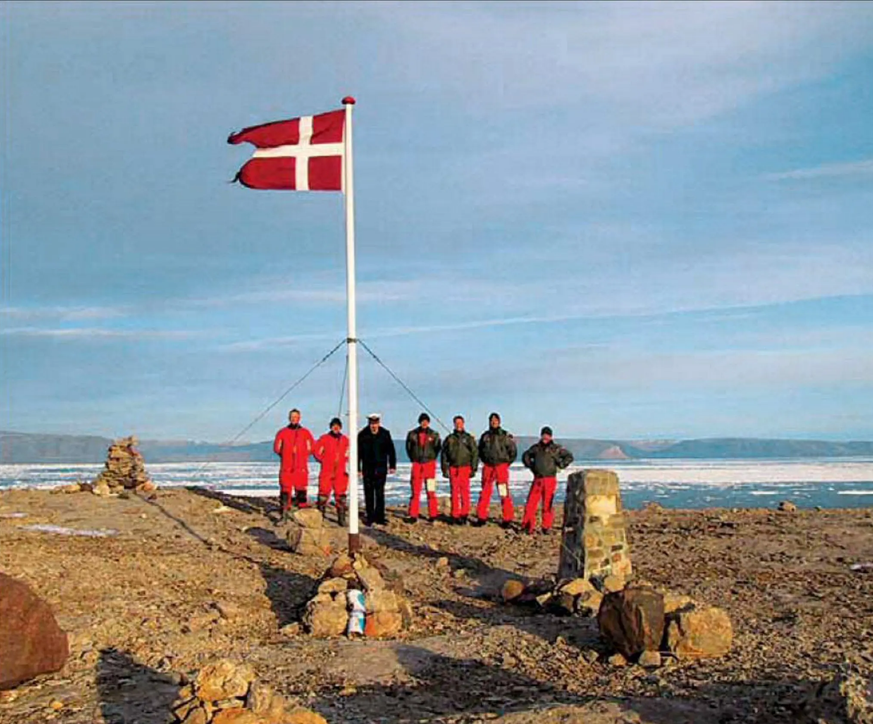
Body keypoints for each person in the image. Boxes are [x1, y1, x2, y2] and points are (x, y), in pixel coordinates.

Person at [521, 426, 573, 535]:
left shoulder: (556, 448)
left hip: (550, 479)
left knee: (547, 504)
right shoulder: (536, 448)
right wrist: (531, 466)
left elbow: (569, 457)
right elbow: (525, 456)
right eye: (544, 435)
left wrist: (561, 465)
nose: (545, 437)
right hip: (538, 479)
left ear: (551, 436)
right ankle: (527, 525)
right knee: (531, 503)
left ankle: (546, 526)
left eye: (547, 435)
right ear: (541, 436)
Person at [475, 412, 517, 528]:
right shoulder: (485, 436)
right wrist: (484, 460)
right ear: (489, 422)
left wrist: (506, 463)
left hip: (501, 466)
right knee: (485, 492)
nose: (494, 422)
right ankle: (481, 517)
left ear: (499, 421)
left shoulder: (505, 435)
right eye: (492, 420)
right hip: (488, 466)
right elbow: (480, 450)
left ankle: (507, 518)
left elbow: (513, 451)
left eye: (496, 420)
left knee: (503, 492)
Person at [273, 408, 316, 520]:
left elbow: (311, 447)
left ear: (299, 418)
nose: (294, 419)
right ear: (289, 418)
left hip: (300, 467)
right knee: (285, 489)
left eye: (296, 417)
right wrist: (287, 454)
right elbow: (277, 448)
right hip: (287, 467)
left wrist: (302, 455)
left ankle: (302, 514)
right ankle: (284, 513)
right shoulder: (282, 432)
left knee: (301, 489)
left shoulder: (305, 433)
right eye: (292, 417)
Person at [357, 413, 396, 526]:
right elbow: (358, 453)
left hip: (381, 468)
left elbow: (391, 451)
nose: (373, 426)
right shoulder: (362, 435)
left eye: (375, 423)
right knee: (368, 493)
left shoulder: (385, 434)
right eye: (371, 424)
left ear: (379, 423)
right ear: (369, 423)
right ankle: (370, 516)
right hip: (367, 468)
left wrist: (392, 465)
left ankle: (380, 516)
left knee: (380, 493)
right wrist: (358, 468)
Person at [440, 415, 478, 525]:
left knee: (465, 492)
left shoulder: (469, 438)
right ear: (454, 424)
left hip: (465, 467)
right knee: (454, 492)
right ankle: (455, 515)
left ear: (463, 423)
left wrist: (473, 467)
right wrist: (444, 468)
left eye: (460, 423)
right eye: (456, 423)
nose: (458, 425)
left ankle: (464, 514)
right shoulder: (449, 439)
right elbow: (444, 454)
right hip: (453, 468)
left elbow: (475, 453)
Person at [405, 412, 442, 523]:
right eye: (422, 421)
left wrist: (431, 458)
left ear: (428, 422)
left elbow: (437, 448)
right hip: (417, 464)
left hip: (429, 465)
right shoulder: (412, 434)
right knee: (415, 491)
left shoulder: (434, 434)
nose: (424, 423)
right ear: (419, 422)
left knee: (430, 490)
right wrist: (414, 458)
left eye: (426, 421)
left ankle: (433, 514)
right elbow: (409, 448)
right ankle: (413, 514)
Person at [312, 417, 350, 526]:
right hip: (327, 470)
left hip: (340, 471)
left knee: (341, 494)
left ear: (340, 427)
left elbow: (348, 452)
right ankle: (320, 517)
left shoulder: (345, 440)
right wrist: (323, 460)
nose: (336, 428)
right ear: (330, 427)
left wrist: (344, 460)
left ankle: (341, 518)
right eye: (334, 426)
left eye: (337, 426)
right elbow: (316, 451)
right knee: (323, 493)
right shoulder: (324, 438)